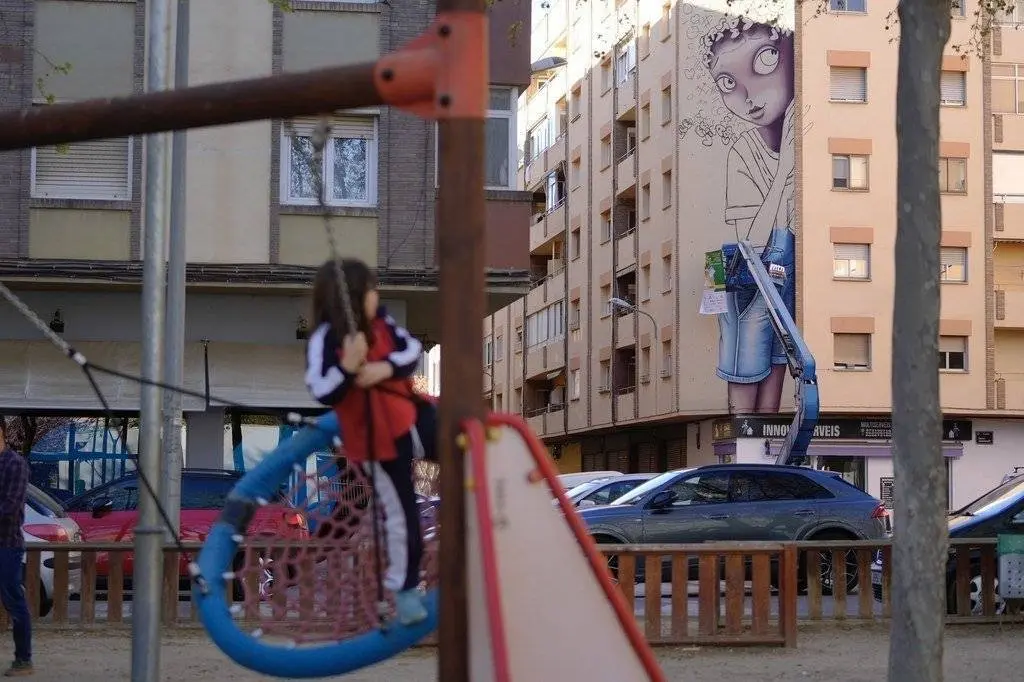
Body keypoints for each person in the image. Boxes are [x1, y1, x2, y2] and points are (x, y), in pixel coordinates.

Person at [303, 258, 435, 626]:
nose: (378, 296)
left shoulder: (384, 323)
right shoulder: (325, 338)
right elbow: (320, 387)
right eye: (372, 290)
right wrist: (349, 367)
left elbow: (410, 350)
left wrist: (383, 367)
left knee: (462, 437)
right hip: (377, 438)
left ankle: (481, 507)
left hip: (412, 414)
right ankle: (405, 589)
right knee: (402, 514)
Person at [702, 17, 796, 415]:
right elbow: (749, 246)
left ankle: (765, 460)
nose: (749, 96)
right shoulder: (742, 150)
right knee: (745, 364)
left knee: (776, 361)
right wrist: (783, 173)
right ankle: (743, 454)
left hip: (782, 269)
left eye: (766, 60)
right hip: (738, 268)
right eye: (728, 83)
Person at [0, 417, 32, 676]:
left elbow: (10, 509)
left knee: (13, 599)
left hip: (6, 544)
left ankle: (24, 658)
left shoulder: (14, 464)